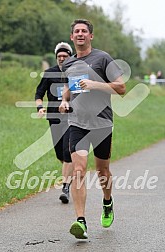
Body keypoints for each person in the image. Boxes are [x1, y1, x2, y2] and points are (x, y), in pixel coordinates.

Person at [59, 19, 126, 239]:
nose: (80, 34)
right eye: (76, 31)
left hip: (102, 123)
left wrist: (95, 84)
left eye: (84, 31)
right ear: (72, 37)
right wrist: (64, 100)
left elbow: (121, 88)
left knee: (102, 172)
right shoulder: (67, 63)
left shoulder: (103, 58)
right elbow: (70, 85)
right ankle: (81, 221)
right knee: (78, 170)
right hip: (77, 122)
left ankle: (107, 202)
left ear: (90, 36)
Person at [35, 42, 73, 204]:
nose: (62, 59)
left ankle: (65, 187)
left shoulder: (76, 72)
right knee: (60, 154)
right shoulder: (49, 73)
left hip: (72, 118)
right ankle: (69, 174)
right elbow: (39, 92)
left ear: (70, 57)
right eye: (59, 56)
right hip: (54, 118)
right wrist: (39, 107)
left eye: (65, 56)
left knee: (67, 152)